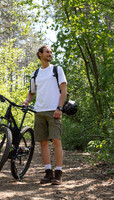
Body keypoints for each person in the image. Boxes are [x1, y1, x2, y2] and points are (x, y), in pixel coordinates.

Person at [22, 45, 67, 185]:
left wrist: (59, 108)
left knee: (56, 141)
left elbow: (63, 90)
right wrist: (27, 101)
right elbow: (32, 92)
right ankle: (48, 173)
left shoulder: (57, 70)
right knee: (43, 142)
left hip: (54, 111)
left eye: (51, 52)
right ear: (40, 54)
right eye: (47, 52)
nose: (50, 54)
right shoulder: (35, 73)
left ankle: (58, 174)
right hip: (39, 111)